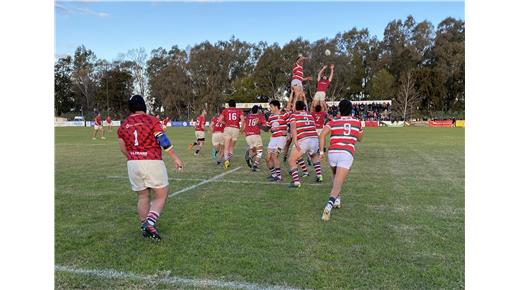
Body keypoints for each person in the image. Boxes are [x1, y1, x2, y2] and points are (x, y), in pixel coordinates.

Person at [117, 95, 183, 240]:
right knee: (161, 194)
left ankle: (144, 227)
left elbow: (122, 147)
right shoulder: (151, 120)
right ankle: (150, 223)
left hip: (133, 162)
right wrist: (175, 158)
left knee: (142, 195)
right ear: (144, 107)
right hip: (152, 161)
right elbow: (163, 140)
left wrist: (133, 157)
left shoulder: (124, 125)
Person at [318, 99, 364, 221]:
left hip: (332, 153)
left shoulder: (333, 121)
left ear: (339, 110)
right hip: (346, 153)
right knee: (337, 184)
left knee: (335, 176)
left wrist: (321, 151)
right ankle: (328, 207)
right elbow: (360, 138)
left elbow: (322, 135)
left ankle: (337, 200)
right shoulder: (357, 122)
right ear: (351, 109)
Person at [287, 100, 323, 188]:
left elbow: (293, 128)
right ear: (304, 107)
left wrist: (295, 141)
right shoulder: (310, 115)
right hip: (314, 138)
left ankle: (296, 182)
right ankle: (319, 176)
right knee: (314, 156)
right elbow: (313, 126)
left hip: (303, 140)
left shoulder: (294, 115)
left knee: (291, 160)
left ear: (295, 107)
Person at [266, 100, 289, 181]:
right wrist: (259, 125)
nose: (270, 108)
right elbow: (267, 129)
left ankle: (279, 177)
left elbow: (292, 124)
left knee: (274, 156)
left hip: (281, 138)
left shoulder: (284, 115)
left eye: (271, 107)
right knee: (267, 158)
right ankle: (273, 174)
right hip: (273, 138)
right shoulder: (270, 117)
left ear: (276, 107)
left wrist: (287, 131)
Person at [218, 100, 244, 169]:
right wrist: (241, 128)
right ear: (235, 105)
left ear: (229, 105)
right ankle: (229, 159)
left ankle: (226, 160)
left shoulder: (225, 110)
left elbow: (219, 120)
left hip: (228, 128)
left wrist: (225, 123)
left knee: (226, 147)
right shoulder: (239, 110)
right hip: (236, 129)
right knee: (231, 147)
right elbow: (243, 119)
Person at [242, 105, 267, 172]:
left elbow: (244, 125)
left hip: (248, 136)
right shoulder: (260, 116)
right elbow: (264, 125)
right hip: (255, 135)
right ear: (258, 110)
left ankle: (250, 158)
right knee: (260, 151)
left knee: (254, 150)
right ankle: (255, 165)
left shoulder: (248, 116)